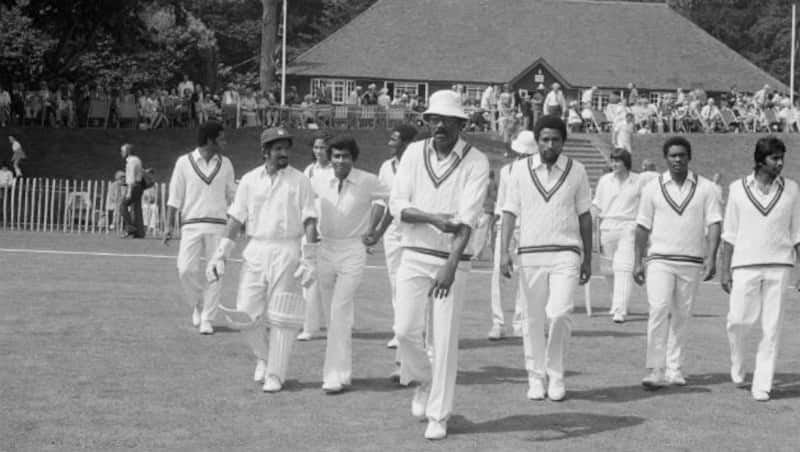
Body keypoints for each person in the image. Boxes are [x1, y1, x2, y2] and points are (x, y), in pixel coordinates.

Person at [389, 90, 490, 440]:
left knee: (444, 340)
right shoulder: (415, 153)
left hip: (452, 261)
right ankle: (424, 379)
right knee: (404, 331)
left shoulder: (477, 162)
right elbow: (397, 205)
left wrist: (450, 264)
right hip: (414, 254)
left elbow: (467, 219)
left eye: (447, 120)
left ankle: (439, 413)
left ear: (461, 123)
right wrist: (433, 217)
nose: (439, 125)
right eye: (433, 119)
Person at [206, 127, 318, 393]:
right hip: (256, 248)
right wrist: (220, 253)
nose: (283, 153)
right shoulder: (249, 180)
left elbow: (310, 219)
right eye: (277, 149)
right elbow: (236, 218)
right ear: (265, 151)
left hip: (288, 248)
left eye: (285, 148)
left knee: (280, 316)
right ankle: (265, 358)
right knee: (244, 312)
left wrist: (310, 258)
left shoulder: (300, 180)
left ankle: (275, 374)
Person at [500, 115, 593, 403]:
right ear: (537, 140)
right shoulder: (519, 170)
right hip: (530, 253)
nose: (549, 144)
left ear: (563, 142)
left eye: (555, 139)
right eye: (544, 139)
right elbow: (509, 212)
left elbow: (585, 217)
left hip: (566, 251)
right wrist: (503, 251)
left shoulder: (577, 170)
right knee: (532, 319)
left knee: (560, 312)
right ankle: (535, 377)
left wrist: (588, 258)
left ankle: (556, 374)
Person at [633, 136, 722, 389]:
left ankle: (675, 368)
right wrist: (638, 260)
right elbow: (641, 226)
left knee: (682, 315)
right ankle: (655, 368)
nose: (678, 159)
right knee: (659, 309)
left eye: (682, 155)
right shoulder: (652, 187)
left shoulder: (706, 188)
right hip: (660, 258)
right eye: (673, 155)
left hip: (691, 259)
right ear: (666, 158)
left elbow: (714, 223)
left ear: (689, 157)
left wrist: (711, 256)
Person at [719, 137, 800, 402]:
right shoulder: (737, 189)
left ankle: (762, 383)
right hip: (744, 263)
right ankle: (738, 363)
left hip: (780, 264)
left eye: (781, 158)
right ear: (759, 160)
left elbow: (797, 232)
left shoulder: (792, 189)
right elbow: (729, 233)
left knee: (772, 327)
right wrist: (724, 268)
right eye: (774, 158)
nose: (780, 163)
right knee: (738, 321)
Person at [309, 135, 390, 393]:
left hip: (353, 250)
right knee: (334, 314)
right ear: (329, 157)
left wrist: (377, 232)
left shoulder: (367, 181)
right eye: (336, 156)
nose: (340, 161)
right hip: (325, 248)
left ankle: (333, 374)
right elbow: (304, 210)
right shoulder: (317, 180)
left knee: (340, 310)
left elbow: (396, 202)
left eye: (345, 156)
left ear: (353, 159)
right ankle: (343, 372)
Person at [164, 121, 236, 335]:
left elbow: (233, 196)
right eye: (221, 138)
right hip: (191, 225)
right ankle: (198, 303)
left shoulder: (226, 164)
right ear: (209, 140)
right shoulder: (184, 162)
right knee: (185, 269)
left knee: (215, 273)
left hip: (218, 226)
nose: (225, 142)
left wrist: (238, 220)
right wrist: (169, 225)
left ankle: (207, 318)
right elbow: (174, 197)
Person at [373, 125, 418, 355]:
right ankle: (400, 331)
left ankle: (417, 331)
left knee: (415, 282)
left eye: (395, 140)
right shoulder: (385, 167)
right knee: (395, 281)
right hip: (392, 231)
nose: (390, 144)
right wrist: (375, 230)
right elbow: (383, 202)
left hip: (415, 230)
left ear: (408, 143)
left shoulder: (419, 165)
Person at [487, 131, 536, 340]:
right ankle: (498, 323)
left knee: (525, 276)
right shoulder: (506, 171)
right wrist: (495, 228)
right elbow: (501, 204)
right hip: (506, 226)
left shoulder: (538, 172)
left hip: (529, 229)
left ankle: (519, 321)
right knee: (498, 275)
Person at [592, 148, 643, 323]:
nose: (614, 164)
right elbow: (597, 205)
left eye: (617, 161)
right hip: (607, 226)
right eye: (612, 161)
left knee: (624, 268)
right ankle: (616, 303)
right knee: (609, 271)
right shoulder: (605, 181)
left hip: (629, 225)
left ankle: (620, 310)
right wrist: (592, 228)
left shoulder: (638, 181)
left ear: (625, 162)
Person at [297, 132, 333, 341]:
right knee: (308, 280)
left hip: (330, 232)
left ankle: (332, 325)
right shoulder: (309, 171)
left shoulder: (336, 169)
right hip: (310, 230)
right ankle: (309, 327)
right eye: (316, 147)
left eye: (323, 147)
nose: (319, 151)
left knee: (329, 281)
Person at [120, 143, 145, 238]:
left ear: (127, 152)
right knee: (136, 208)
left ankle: (130, 228)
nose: (121, 153)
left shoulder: (130, 162)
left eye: (122, 151)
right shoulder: (137, 159)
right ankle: (139, 233)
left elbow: (130, 177)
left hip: (133, 186)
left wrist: (129, 192)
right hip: (139, 186)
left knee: (122, 205)